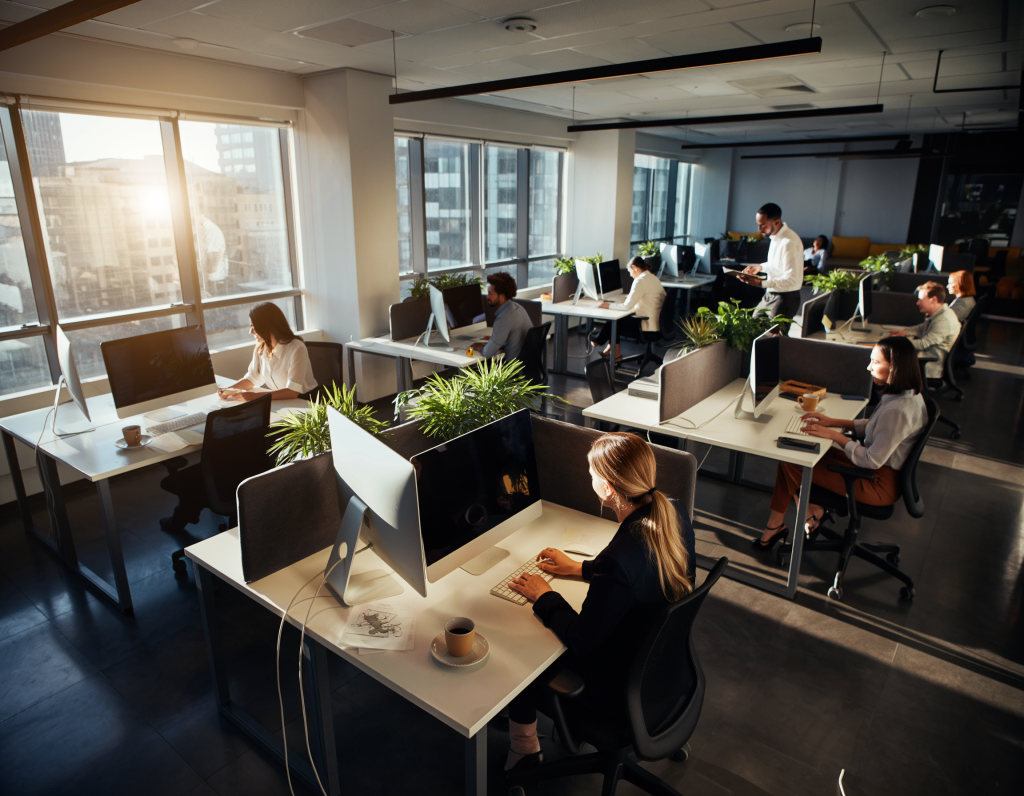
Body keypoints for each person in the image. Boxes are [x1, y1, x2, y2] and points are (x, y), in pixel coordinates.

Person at [502, 432, 696, 773]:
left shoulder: (619, 559)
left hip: (616, 693)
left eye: (592, 474)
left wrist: (545, 596)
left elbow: (580, 640)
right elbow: (639, 572)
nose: (589, 478)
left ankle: (524, 751)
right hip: (664, 675)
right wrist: (581, 568)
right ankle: (565, 731)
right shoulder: (673, 513)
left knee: (520, 654)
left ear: (607, 489)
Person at [753, 337, 927, 549]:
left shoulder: (898, 410)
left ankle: (796, 519)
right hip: (877, 470)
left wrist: (836, 435)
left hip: (877, 482)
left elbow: (872, 459)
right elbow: (875, 425)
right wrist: (833, 422)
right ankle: (793, 519)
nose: (868, 367)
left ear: (895, 368)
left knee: (795, 461)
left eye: (876, 362)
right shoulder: (907, 396)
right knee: (795, 453)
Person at [220, 302, 317, 401]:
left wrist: (255, 396)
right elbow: (251, 379)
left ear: (267, 326)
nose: (251, 332)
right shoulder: (261, 348)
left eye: (254, 327)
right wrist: (228, 390)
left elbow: (292, 391)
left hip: (305, 402)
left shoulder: (296, 348)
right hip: (280, 400)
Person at [736, 202, 804, 322]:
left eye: (762, 225)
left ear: (776, 222)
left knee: (774, 338)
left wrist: (761, 283)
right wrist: (759, 267)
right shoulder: (774, 236)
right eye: (758, 225)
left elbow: (792, 279)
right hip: (770, 293)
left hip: (785, 297)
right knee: (753, 328)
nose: (759, 229)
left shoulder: (789, 242)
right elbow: (777, 264)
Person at [591, 256, 666, 361]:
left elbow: (626, 307)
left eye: (629, 271)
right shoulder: (653, 278)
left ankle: (599, 341)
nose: (630, 275)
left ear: (634, 267)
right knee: (619, 320)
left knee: (614, 322)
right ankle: (611, 351)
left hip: (646, 326)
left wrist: (610, 305)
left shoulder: (640, 281)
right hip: (657, 323)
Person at [888, 281, 960, 381]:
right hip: (923, 358)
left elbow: (923, 344)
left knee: (885, 365)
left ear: (933, 300)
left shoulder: (943, 320)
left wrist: (898, 341)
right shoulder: (941, 313)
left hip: (929, 367)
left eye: (921, 300)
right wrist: (904, 332)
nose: (917, 303)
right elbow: (923, 327)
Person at [472, 272, 533, 361]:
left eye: (490, 293)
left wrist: (479, 346)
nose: (487, 297)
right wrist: (496, 339)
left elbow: (488, 353)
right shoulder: (517, 308)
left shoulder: (504, 318)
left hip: (511, 368)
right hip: (525, 365)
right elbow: (514, 337)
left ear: (502, 296)